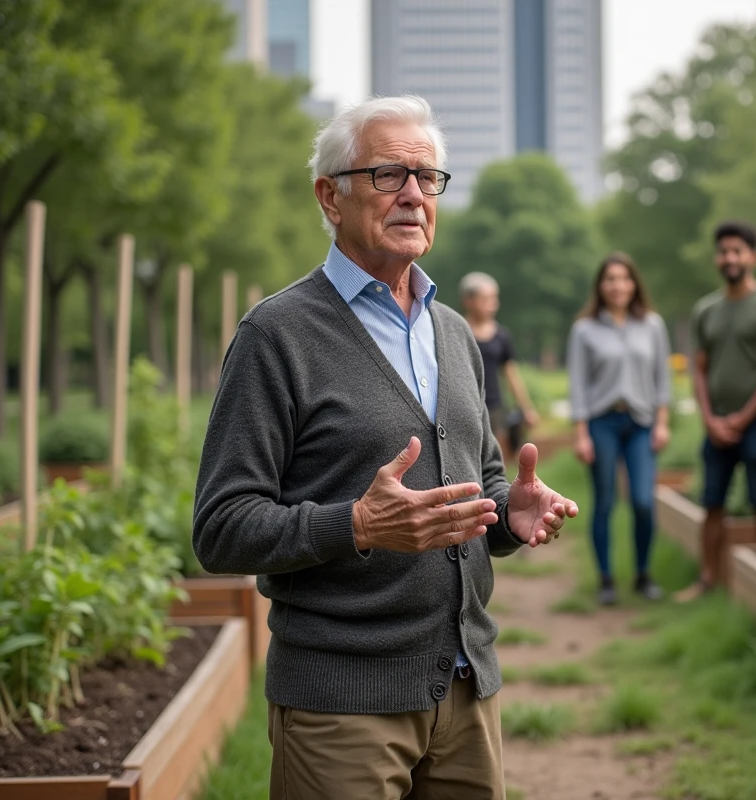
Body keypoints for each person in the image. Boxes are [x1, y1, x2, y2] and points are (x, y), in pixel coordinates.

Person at [192, 96, 579, 800]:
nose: (412, 194)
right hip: (342, 704)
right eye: (387, 174)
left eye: (428, 177)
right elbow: (221, 530)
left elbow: (481, 480)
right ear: (329, 196)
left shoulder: (455, 333)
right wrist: (358, 524)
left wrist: (508, 512)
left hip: (467, 690)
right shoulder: (276, 335)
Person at [682, 221, 756, 597]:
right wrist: (710, 419)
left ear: (752, 257)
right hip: (716, 428)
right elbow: (699, 369)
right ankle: (708, 579)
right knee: (712, 504)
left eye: (737, 251)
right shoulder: (706, 310)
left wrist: (743, 418)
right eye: (724, 251)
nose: (730, 258)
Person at [567, 253, 672, 605]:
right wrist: (581, 433)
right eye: (610, 279)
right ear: (600, 285)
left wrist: (662, 423)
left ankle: (644, 574)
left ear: (634, 284)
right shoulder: (585, 329)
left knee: (643, 501)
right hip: (602, 422)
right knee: (606, 501)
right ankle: (606, 579)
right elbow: (578, 383)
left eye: (624, 278)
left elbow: (662, 377)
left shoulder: (652, 325)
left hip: (642, 422)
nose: (617, 285)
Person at [459, 271, 539, 458]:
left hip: (494, 407)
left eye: (494, 298)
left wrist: (526, 408)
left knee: (495, 459)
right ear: (468, 301)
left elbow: (511, 374)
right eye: (485, 299)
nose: (492, 304)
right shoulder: (458, 331)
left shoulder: (501, 335)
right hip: (465, 405)